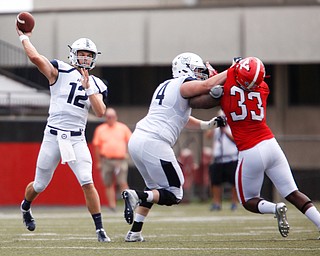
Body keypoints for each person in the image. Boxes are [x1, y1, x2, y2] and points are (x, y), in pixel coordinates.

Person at [189, 57, 320, 238]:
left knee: (248, 200)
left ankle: (275, 208)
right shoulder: (263, 88)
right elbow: (245, 84)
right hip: (271, 145)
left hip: (250, 150)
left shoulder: (226, 90)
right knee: (292, 192)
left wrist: (217, 80)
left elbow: (197, 102)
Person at [16, 24, 111, 242]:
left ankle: (99, 229)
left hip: (77, 139)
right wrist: (24, 37)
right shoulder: (60, 70)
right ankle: (26, 205)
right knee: (39, 184)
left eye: (89, 55)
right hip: (53, 136)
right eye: (82, 54)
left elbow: (100, 112)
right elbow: (36, 58)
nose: (85, 58)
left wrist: (89, 88)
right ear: (73, 55)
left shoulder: (97, 83)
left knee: (87, 180)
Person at [120, 52, 227, 242]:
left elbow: (182, 118)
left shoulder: (165, 85)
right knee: (174, 193)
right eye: (197, 70)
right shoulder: (183, 84)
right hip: (155, 142)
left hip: (138, 139)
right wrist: (232, 71)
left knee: (153, 189)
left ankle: (134, 232)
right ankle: (134, 194)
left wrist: (207, 124)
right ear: (185, 68)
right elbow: (207, 85)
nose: (201, 75)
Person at [93, 107, 132, 212]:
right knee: (108, 183)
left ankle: (128, 204)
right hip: (106, 160)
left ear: (116, 117)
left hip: (120, 160)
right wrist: (99, 162)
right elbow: (97, 146)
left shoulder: (122, 128)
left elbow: (131, 141)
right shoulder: (100, 129)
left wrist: (128, 153)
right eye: (109, 117)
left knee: (123, 182)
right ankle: (112, 205)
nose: (110, 119)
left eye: (112, 117)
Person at [206, 109, 238, 211]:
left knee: (234, 182)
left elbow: (235, 139)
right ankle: (216, 203)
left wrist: (225, 131)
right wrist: (214, 126)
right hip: (218, 159)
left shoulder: (232, 128)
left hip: (231, 158)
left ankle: (234, 203)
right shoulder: (216, 129)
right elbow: (208, 136)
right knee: (216, 182)